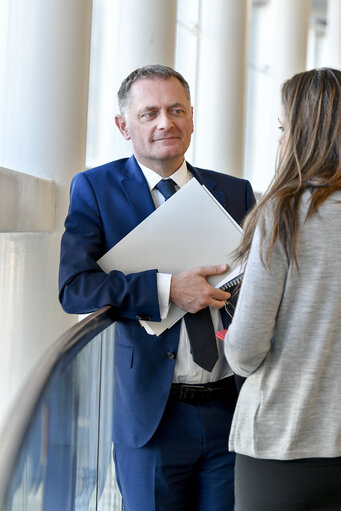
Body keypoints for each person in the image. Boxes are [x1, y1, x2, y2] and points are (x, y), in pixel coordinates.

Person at [59, 64, 255, 511]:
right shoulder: (96, 188)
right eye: (149, 113)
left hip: (232, 407)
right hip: (152, 416)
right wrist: (166, 289)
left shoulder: (236, 192)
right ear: (123, 126)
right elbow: (75, 288)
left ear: (192, 118)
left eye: (176, 110)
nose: (166, 122)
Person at [224, 67, 341, 511]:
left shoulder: (284, 212)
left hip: (282, 440)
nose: (280, 139)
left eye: (282, 128)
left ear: (304, 134)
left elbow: (246, 350)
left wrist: (233, 339)